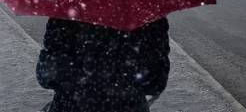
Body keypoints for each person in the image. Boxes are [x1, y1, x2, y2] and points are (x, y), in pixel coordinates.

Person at [37, 17, 170, 112]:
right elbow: (156, 82)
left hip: (71, 106)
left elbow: (47, 76)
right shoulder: (148, 14)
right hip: (129, 106)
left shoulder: (66, 8)